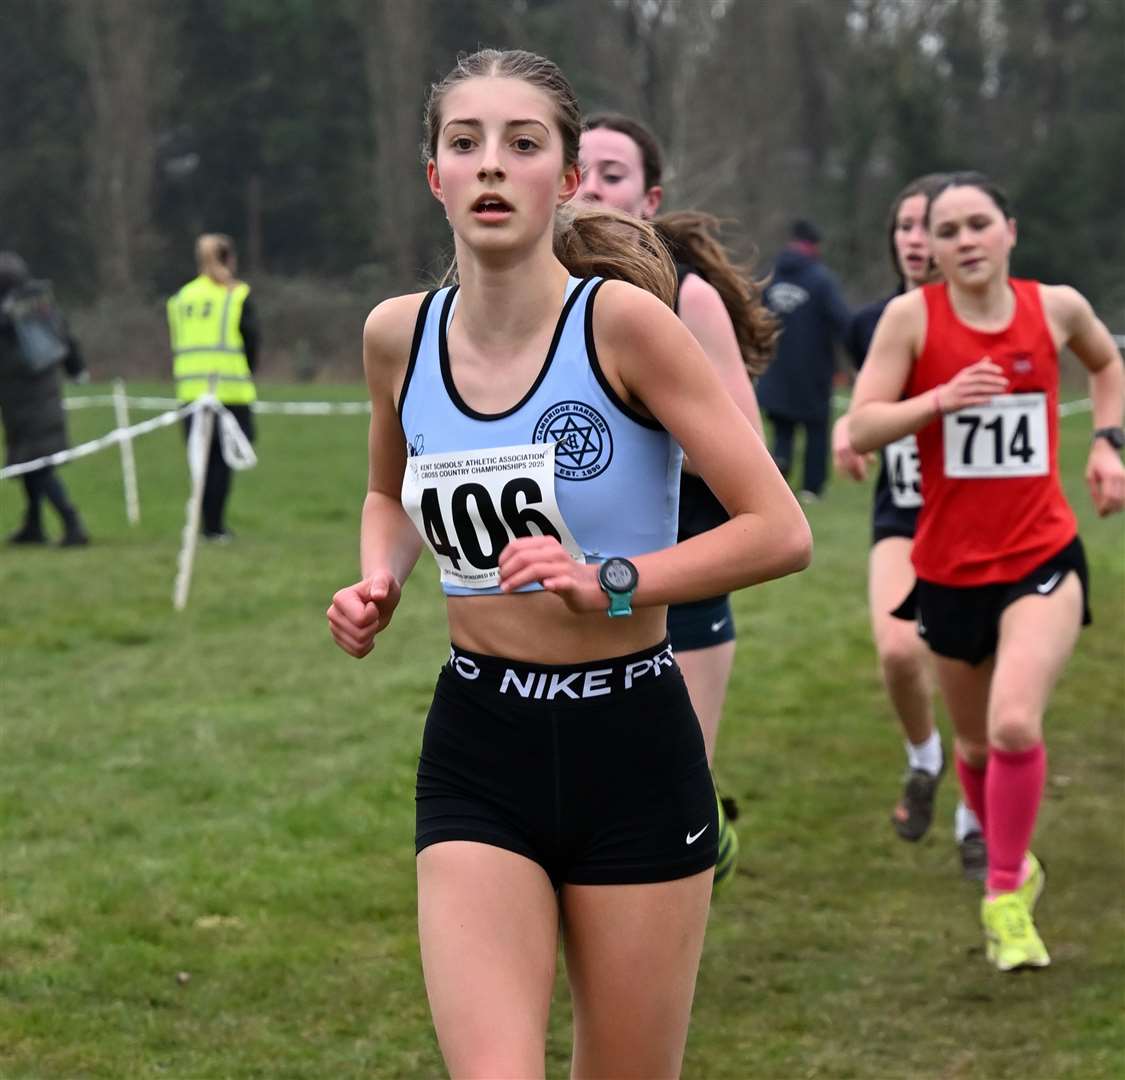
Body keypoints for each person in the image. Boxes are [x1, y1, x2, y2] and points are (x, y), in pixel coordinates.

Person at [326, 48, 811, 1077]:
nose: (492, 166)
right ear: (435, 177)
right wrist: (382, 576)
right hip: (479, 743)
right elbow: (388, 487)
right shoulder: (395, 338)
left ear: (566, 177)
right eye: (466, 144)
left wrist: (617, 579)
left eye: (523, 144)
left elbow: (778, 527)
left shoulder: (627, 324)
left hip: (631, 740)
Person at [849, 171, 1125, 972]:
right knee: (971, 745)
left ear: (1009, 230)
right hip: (945, 568)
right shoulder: (910, 319)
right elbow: (861, 426)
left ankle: (1004, 891)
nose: (964, 240)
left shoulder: (1056, 307)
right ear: (927, 248)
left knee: (1011, 724)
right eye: (946, 230)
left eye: (978, 224)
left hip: (1040, 554)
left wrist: (1108, 445)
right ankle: (1011, 860)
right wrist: (937, 401)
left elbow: (1106, 366)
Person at [576, 111, 777, 892]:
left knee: (667, 793)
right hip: (570, 582)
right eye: (580, 170)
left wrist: (642, 420)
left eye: (613, 174)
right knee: (586, 786)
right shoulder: (540, 300)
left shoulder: (686, 299)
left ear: (649, 199)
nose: (592, 187)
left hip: (682, 575)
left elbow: (745, 458)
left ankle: (704, 845)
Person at [832, 176, 985, 877]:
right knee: (897, 652)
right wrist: (848, 431)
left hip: (979, 517)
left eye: (930, 226)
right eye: (905, 227)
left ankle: (974, 817)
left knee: (974, 678)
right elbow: (870, 404)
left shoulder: (982, 315)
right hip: (902, 510)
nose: (916, 240)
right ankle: (923, 756)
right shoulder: (871, 324)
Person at [166, 234, 259, 541]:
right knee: (222, 462)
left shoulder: (180, 299)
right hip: (229, 392)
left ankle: (204, 524)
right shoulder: (236, 295)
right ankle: (214, 526)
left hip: (190, 393)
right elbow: (251, 342)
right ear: (229, 259)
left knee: (201, 462)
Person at [756, 219, 851, 502]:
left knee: (782, 429)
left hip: (775, 368)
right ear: (814, 246)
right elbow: (842, 321)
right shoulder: (821, 280)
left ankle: (780, 471)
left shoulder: (770, 276)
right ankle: (811, 488)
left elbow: (753, 316)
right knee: (816, 431)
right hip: (813, 371)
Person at [0, 251, 90, 547]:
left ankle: (72, 522)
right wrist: (76, 370)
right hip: (41, 396)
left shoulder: (10, 318)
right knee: (30, 465)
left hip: (25, 401)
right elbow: (67, 340)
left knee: (37, 466)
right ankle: (34, 525)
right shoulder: (40, 307)